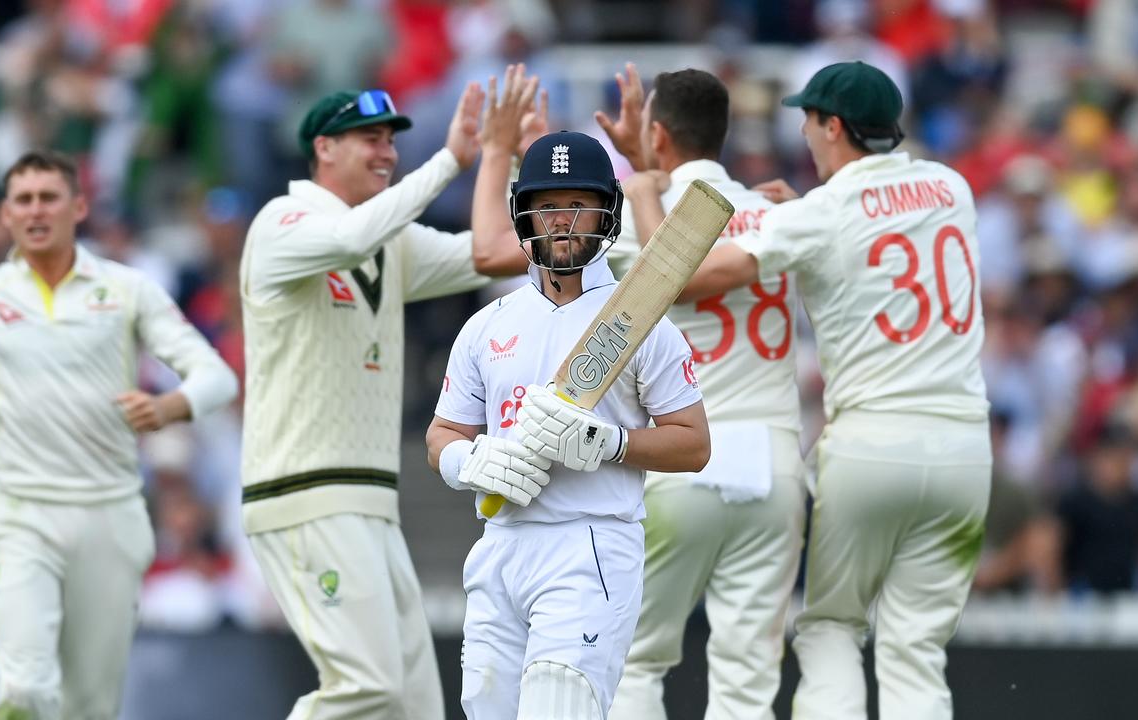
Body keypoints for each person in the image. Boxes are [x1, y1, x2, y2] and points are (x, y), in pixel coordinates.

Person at [675, 61, 991, 719]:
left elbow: (690, 278)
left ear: (835, 126)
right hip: (965, 449)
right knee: (917, 648)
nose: (805, 133)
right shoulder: (950, 185)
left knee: (831, 628)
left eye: (810, 120)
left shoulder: (822, 213)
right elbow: (881, 224)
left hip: (873, 443)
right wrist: (805, 216)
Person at [0, 149, 239, 719]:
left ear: (78, 206)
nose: (36, 210)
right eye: (23, 199)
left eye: (49, 197)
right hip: (22, 511)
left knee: (91, 703)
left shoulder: (128, 290)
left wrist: (170, 405)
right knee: (25, 688)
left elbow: (215, 376)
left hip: (108, 512)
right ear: (5, 214)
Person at [238, 67, 536, 719]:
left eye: (392, 140)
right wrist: (449, 161)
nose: (386, 152)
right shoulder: (283, 222)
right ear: (324, 148)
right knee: (367, 688)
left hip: (372, 501)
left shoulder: (390, 241)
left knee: (414, 706)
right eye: (369, 137)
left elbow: (490, 255)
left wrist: (518, 165)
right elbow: (348, 238)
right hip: (306, 492)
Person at [426, 129, 712, 719]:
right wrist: (466, 461)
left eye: (577, 205)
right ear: (523, 214)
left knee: (559, 707)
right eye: (547, 206)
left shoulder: (644, 324)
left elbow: (693, 444)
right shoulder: (486, 324)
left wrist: (609, 443)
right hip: (499, 543)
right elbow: (442, 435)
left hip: (591, 543)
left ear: (606, 212)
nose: (562, 221)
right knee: (487, 708)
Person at [595, 65, 806, 720]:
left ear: (657, 134)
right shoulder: (779, 212)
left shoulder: (633, 216)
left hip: (678, 458)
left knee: (634, 660)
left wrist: (637, 176)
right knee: (747, 673)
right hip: (773, 460)